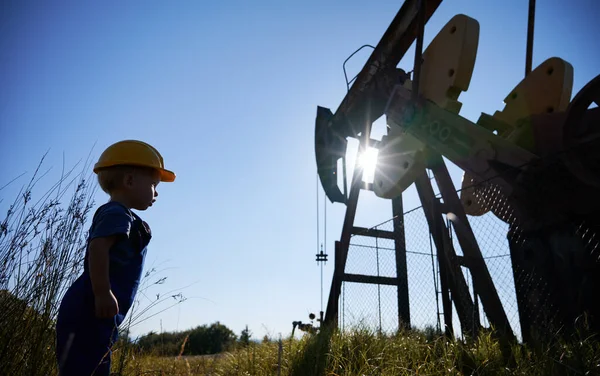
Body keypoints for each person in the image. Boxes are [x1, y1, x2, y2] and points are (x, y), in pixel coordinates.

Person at [55, 140, 176, 376]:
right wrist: (102, 292)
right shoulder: (117, 213)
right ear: (129, 181)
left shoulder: (122, 216)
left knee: (93, 367)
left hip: (98, 313)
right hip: (90, 309)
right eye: (153, 184)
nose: (156, 192)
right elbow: (97, 248)